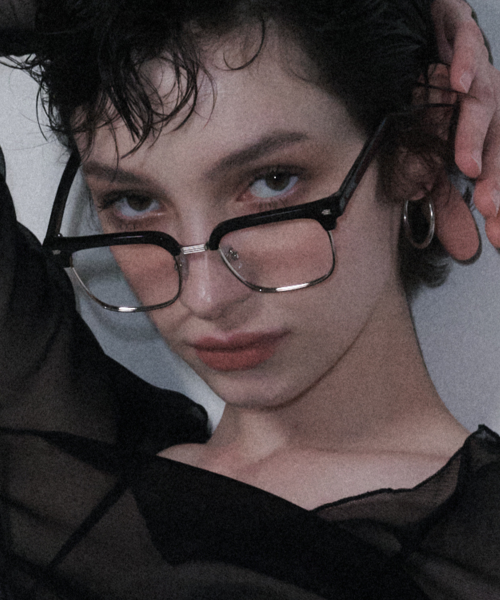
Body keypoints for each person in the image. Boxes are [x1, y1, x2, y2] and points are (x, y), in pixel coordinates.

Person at [1, 0, 500, 599]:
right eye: (135, 202)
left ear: (418, 145)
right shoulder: (58, 470)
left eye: (271, 182)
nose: (206, 296)